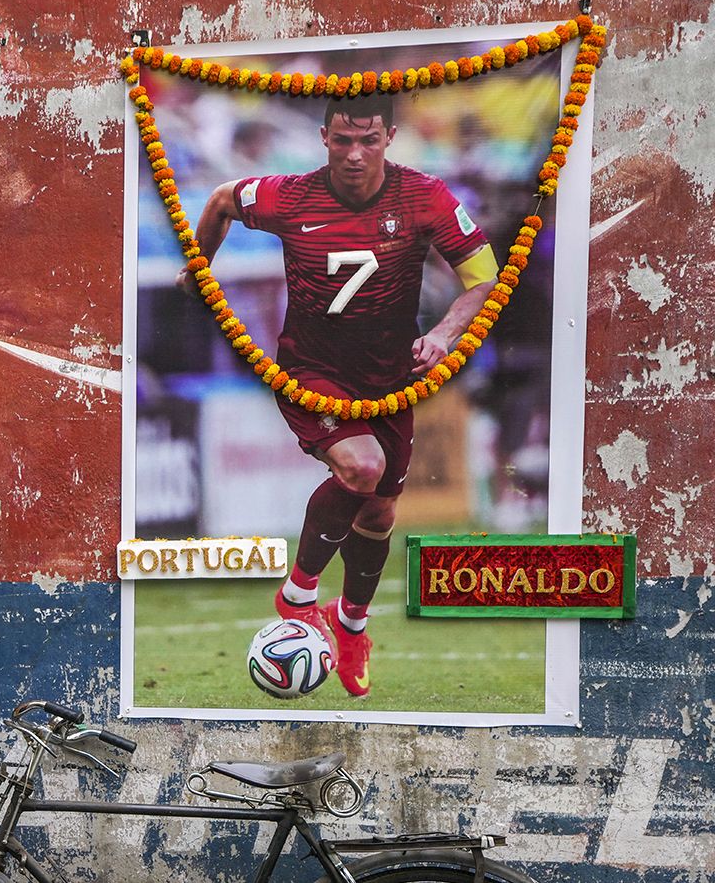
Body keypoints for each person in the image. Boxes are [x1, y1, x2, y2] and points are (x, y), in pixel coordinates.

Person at [188, 94, 500, 698]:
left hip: (390, 380)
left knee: (380, 512)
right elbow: (222, 199)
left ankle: (352, 627)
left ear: (390, 138)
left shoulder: (425, 197)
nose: (355, 154)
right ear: (324, 138)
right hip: (312, 371)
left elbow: (483, 275)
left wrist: (444, 333)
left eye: (368, 140)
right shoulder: (290, 196)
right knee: (362, 467)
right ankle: (298, 595)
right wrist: (198, 265)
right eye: (343, 140)